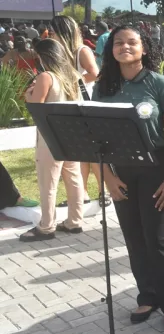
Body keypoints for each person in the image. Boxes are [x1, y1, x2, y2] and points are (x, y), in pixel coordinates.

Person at [93, 25, 164, 332]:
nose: (124, 47)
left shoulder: (159, 84)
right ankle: (148, 295)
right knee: (133, 237)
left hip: (154, 168)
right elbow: (96, 138)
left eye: (131, 42)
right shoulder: (103, 86)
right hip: (120, 170)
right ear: (111, 50)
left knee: (157, 238)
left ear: (143, 48)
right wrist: (107, 177)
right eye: (118, 43)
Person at [19, 39, 85, 242]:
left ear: (43, 56)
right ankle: (75, 221)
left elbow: (36, 107)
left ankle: (46, 226)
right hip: (72, 133)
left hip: (50, 134)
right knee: (74, 178)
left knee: (48, 181)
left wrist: (28, 95)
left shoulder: (46, 77)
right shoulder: (72, 75)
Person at [50, 15, 105, 206]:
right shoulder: (60, 52)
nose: (50, 35)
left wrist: (71, 81)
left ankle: (103, 191)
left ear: (62, 32)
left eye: (53, 32)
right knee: (78, 153)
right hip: (70, 106)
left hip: (85, 106)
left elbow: (95, 74)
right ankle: (81, 193)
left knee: (94, 153)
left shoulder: (82, 50)